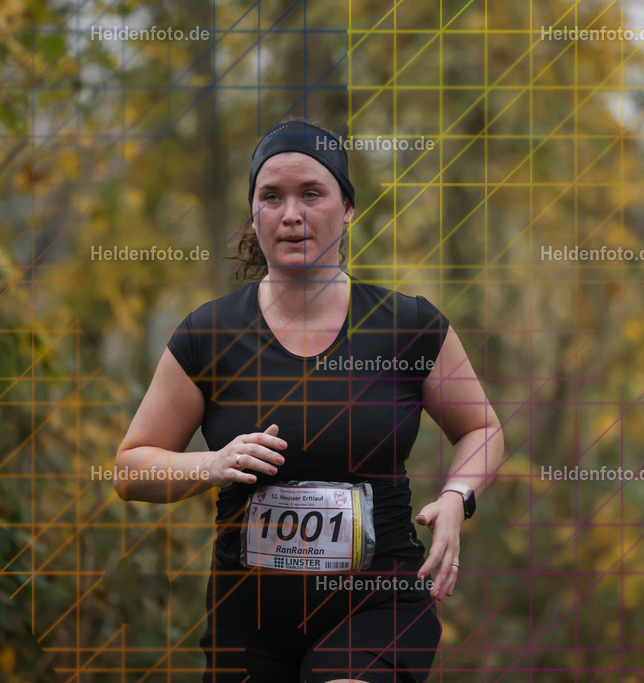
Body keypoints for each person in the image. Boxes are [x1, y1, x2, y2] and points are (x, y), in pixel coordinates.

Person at [114, 119, 504, 683]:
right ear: (254, 213)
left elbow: (482, 430)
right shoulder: (210, 335)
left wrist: (456, 497)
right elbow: (130, 468)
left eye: (312, 194)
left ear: (347, 209)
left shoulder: (408, 327)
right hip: (249, 621)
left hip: (378, 605)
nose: (291, 214)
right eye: (272, 196)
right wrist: (211, 464)